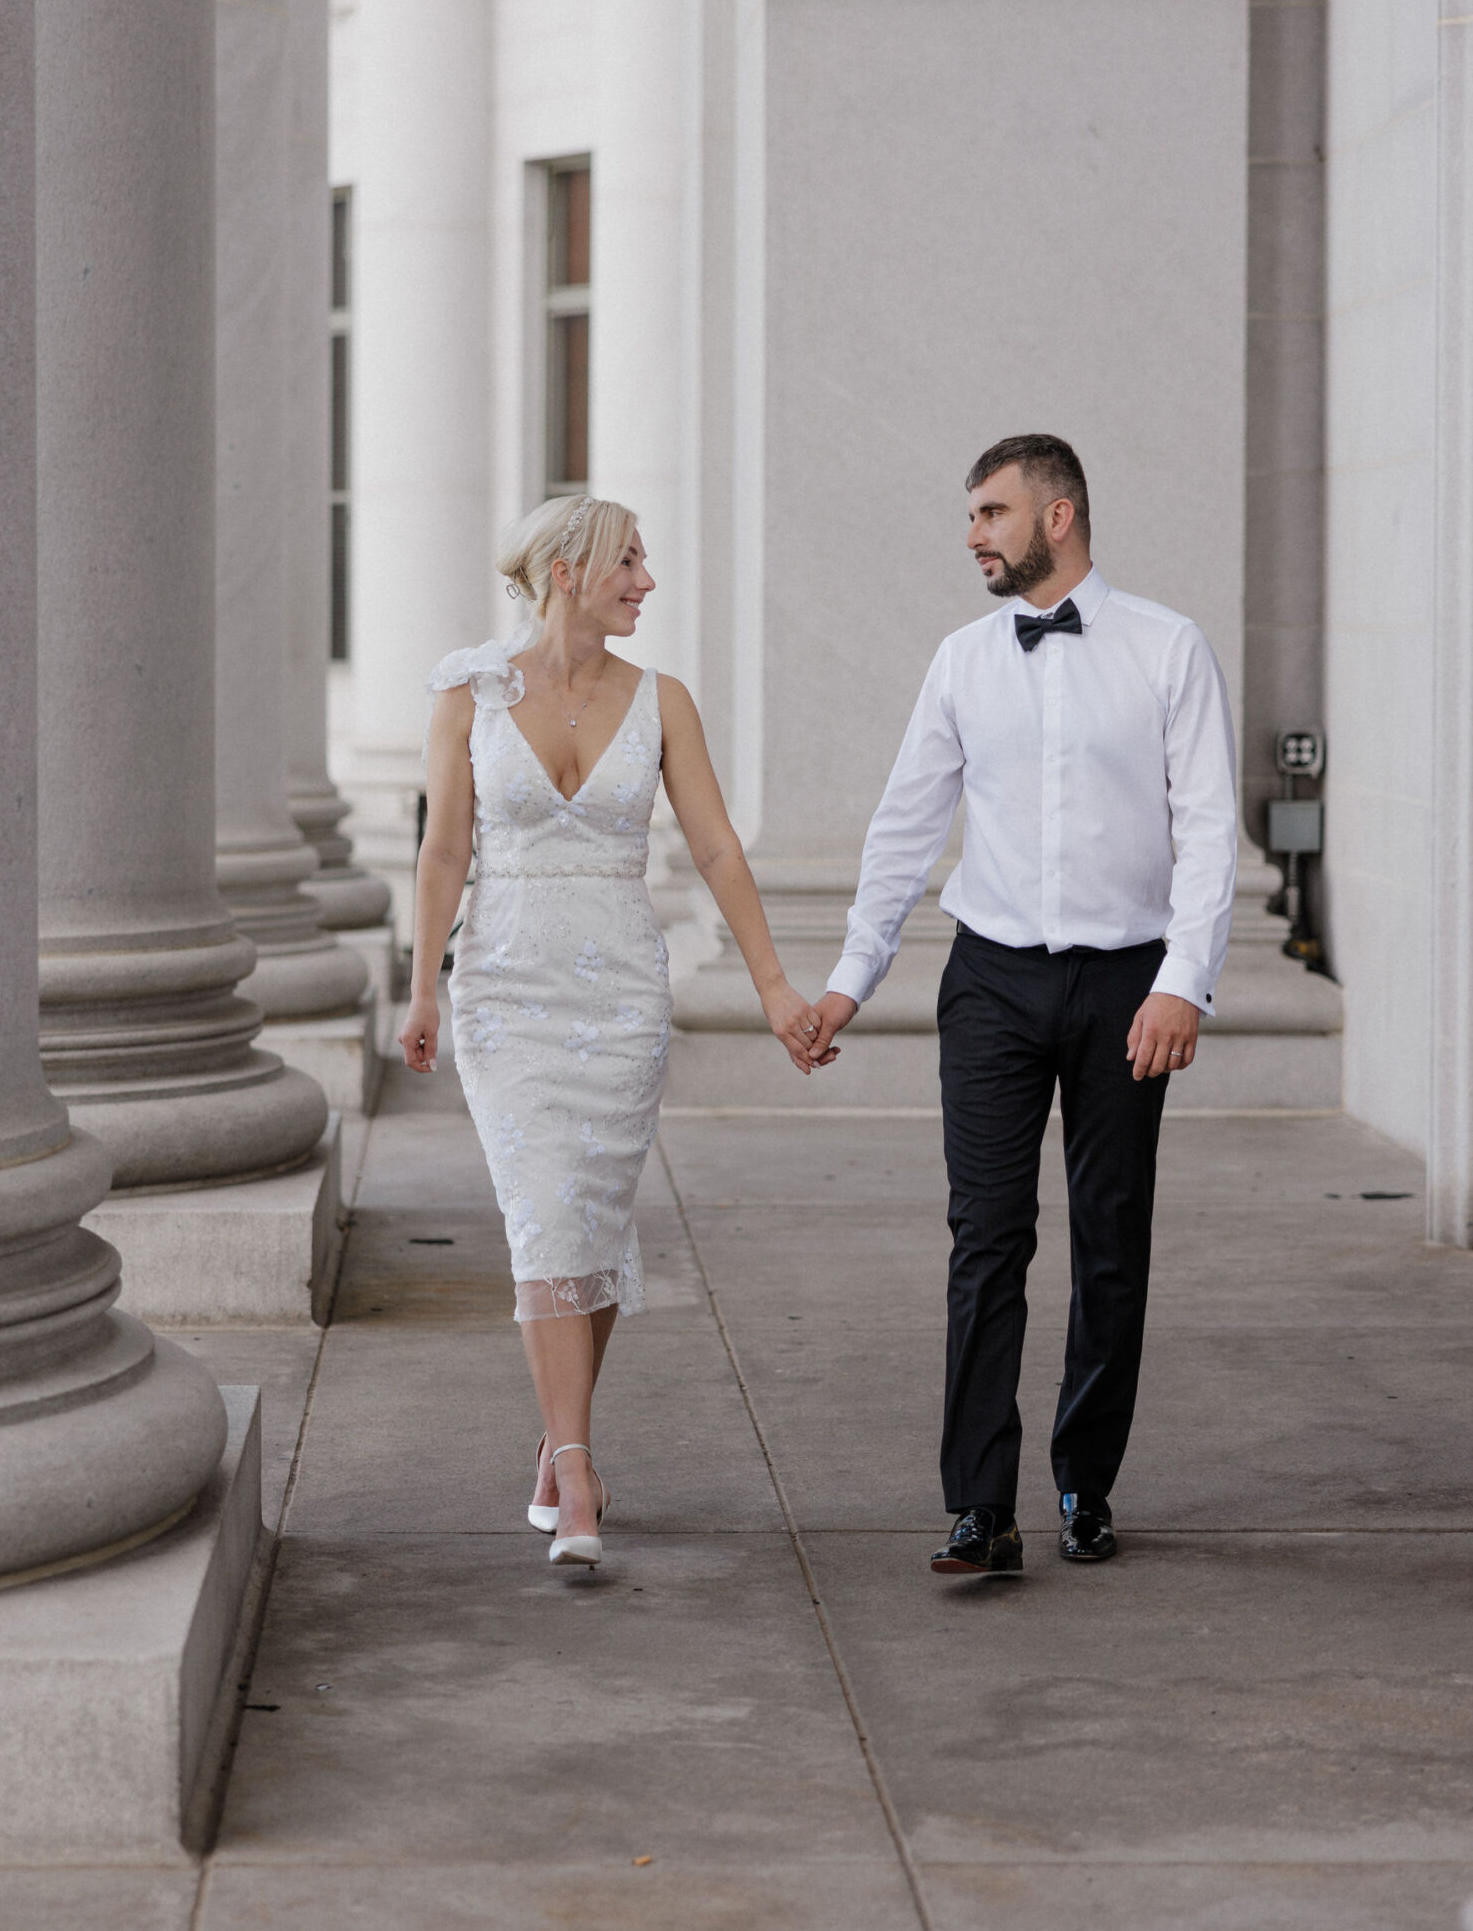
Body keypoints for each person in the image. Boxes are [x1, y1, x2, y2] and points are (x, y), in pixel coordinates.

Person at [809, 436, 1238, 1577]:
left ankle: (1083, 1483)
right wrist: (853, 977)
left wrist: (1182, 981)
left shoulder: (1168, 648)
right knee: (987, 1239)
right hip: (993, 977)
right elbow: (906, 826)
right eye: (971, 516)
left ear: (1059, 515)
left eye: (992, 512)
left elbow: (1206, 829)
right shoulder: (961, 660)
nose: (973, 536)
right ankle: (977, 1506)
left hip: (1126, 987)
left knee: (1109, 1246)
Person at [401, 497, 822, 1570]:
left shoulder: (664, 701)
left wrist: (777, 990)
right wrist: (421, 991)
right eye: (627, 560)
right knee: (543, 1216)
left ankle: (558, 1438)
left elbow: (720, 852)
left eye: (644, 560)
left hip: (623, 998)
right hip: (506, 988)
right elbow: (443, 852)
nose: (645, 579)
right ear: (564, 571)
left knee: (585, 1218)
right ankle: (580, 1467)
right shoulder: (468, 693)